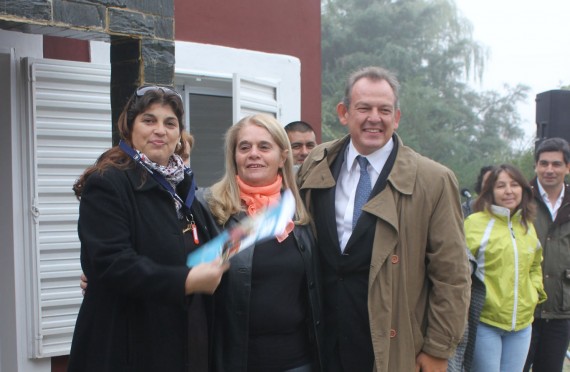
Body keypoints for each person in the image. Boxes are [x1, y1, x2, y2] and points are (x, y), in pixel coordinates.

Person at [296, 66, 470, 371]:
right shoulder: (317, 163)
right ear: (344, 113)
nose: (374, 118)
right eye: (364, 108)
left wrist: (438, 349)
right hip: (321, 344)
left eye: (384, 110)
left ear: (397, 117)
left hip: (390, 347)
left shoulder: (434, 180)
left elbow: (452, 275)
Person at [68, 86, 228, 372]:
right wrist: (187, 281)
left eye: (170, 123)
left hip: (185, 343)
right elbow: (112, 263)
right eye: (148, 120)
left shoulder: (182, 188)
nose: (160, 130)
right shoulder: (108, 183)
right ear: (129, 127)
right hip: (128, 347)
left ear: (179, 134)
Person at [199, 114, 322, 372]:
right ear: (234, 156)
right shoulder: (208, 208)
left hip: (299, 361)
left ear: (282, 156)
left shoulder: (300, 209)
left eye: (264, 146)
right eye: (244, 147)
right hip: (235, 362)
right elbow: (170, 254)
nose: (253, 154)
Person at [465, 164, 546, 372]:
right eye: (501, 185)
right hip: (485, 322)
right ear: (490, 191)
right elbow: (459, 268)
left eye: (514, 184)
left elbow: (535, 264)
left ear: (523, 189)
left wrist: (535, 292)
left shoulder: (526, 225)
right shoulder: (474, 223)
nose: (508, 191)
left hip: (522, 325)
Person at [524, 137, 570, 372]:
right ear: (536, 166)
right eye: (543, 164)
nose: (549, 170)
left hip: (561, 310)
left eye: (556, 164)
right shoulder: (520, 200)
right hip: (523, 310)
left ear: (567, 167)